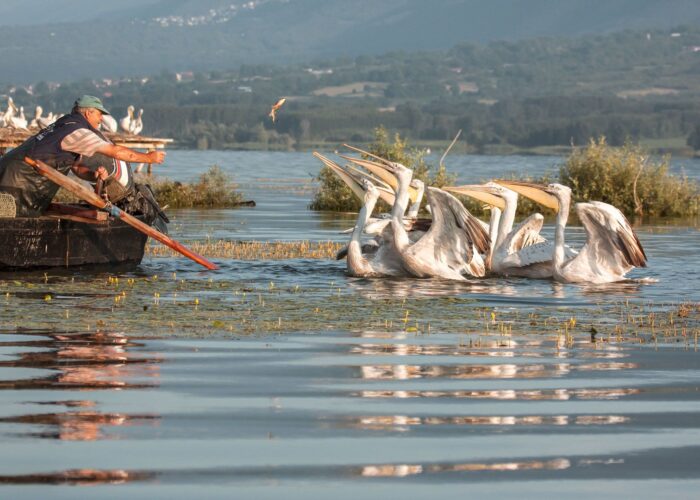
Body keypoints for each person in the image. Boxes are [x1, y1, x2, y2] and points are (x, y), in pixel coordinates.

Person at [0, 95, 165, 217]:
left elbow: (76, 167)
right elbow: (116, 152)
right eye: (99, 114)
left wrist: (92, 175)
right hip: (19, 183)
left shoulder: (63, 123)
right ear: (88, 113)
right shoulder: (79, 132)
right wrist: (149, 158)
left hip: (9, 171)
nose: (101, 119)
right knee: (16, 217)